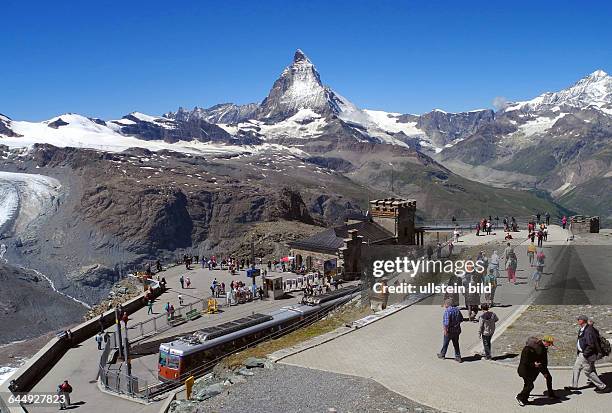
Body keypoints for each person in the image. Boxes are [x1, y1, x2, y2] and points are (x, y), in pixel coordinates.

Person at [565, 315, 610, 393]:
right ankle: (574, 385)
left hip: (585, 354)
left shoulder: (588, 330)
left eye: (579, 319)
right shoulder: (582, 329)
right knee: (576, 368)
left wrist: (585, 354)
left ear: (583, 320)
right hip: (580, 353)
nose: (578, 320)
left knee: (588, 371)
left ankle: (603, 387)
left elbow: (591, 345)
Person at [516, 337, 541, 406]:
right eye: (535, 343)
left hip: (529, 371)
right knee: (530, 385)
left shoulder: (532, 349)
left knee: (527, 385)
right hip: (524, 371)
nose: (537, 344)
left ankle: (525, 399)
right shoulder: (526, 350)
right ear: (532, 343)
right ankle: (520, 397)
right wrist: (534, 364)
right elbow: (525, 361)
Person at [437, 298, 463, 363]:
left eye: (445, 304)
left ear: (448, 304)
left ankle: (442, 354)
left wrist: (445, 331)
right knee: (456, 344)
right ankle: (458, 357)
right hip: (456, 330)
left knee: (445, 343)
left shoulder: (448, 311)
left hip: (449, 330)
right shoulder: (457, 310)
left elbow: (446, 323)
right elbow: (461, 319)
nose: (444, 305)